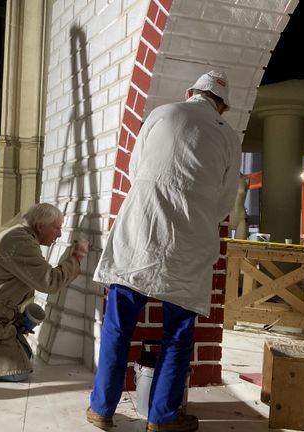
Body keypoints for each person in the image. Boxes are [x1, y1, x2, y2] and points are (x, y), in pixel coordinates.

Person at [86, 70, 242, 432]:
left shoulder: (163, 114)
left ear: (192, 92)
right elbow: (223, 202)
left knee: (118, 327)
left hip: (141, 231)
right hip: (189, 242)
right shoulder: (228, 137)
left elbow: (135, 168)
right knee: (177, 335)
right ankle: (162, 418)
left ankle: (101, 409)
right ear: (223, 105)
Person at [0, 203, 89, 381]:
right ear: (41, 226)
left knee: (24, 355)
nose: (60, 234)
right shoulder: (21, 242)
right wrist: (77, 257)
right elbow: (50, 282)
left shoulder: (19, 235)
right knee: (18, 372)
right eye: (57, 227)